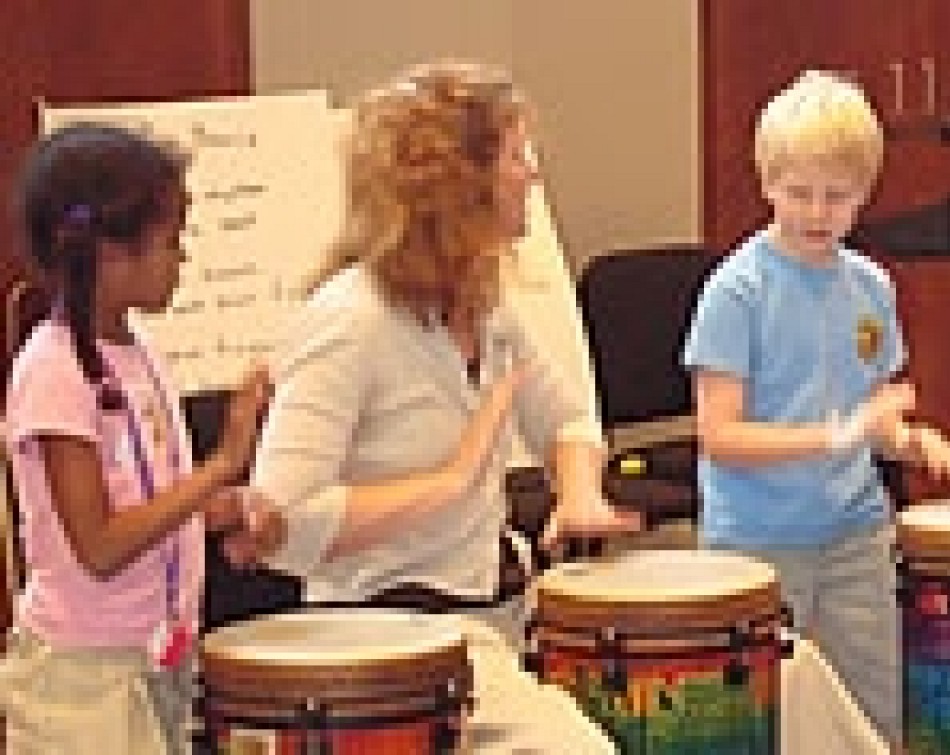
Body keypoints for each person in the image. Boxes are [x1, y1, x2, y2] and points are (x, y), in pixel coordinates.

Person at [249, 62, 640, 635]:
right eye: (514, 156)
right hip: (378, 634)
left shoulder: (486, 306)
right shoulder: (347, 323)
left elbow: (567, 420)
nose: (532, 173)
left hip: (484, 611)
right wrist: (447, 485)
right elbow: (282, 523)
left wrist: (579, 495)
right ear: (462, 187)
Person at [682, 70, 950, 746]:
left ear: (864, 194)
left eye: (836, 197)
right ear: (766, 183)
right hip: (755, 538)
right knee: (756, 714)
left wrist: (910, 441)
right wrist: (842, 433)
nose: (816, 212)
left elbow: (872, 414)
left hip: (855, 533)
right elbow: (719, 434)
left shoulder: (871, 287)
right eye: (798, 193)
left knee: (876, 704)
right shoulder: (737, 290)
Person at [0, 124, 278, 755]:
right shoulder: (53, 370)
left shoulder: (137, 350)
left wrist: (222, 512)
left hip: (153, 659)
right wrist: (221, 466)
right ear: (108, 253)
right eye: (172, 240)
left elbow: (145, 504)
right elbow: (98, 545)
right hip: (82, 683)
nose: (183, 258)